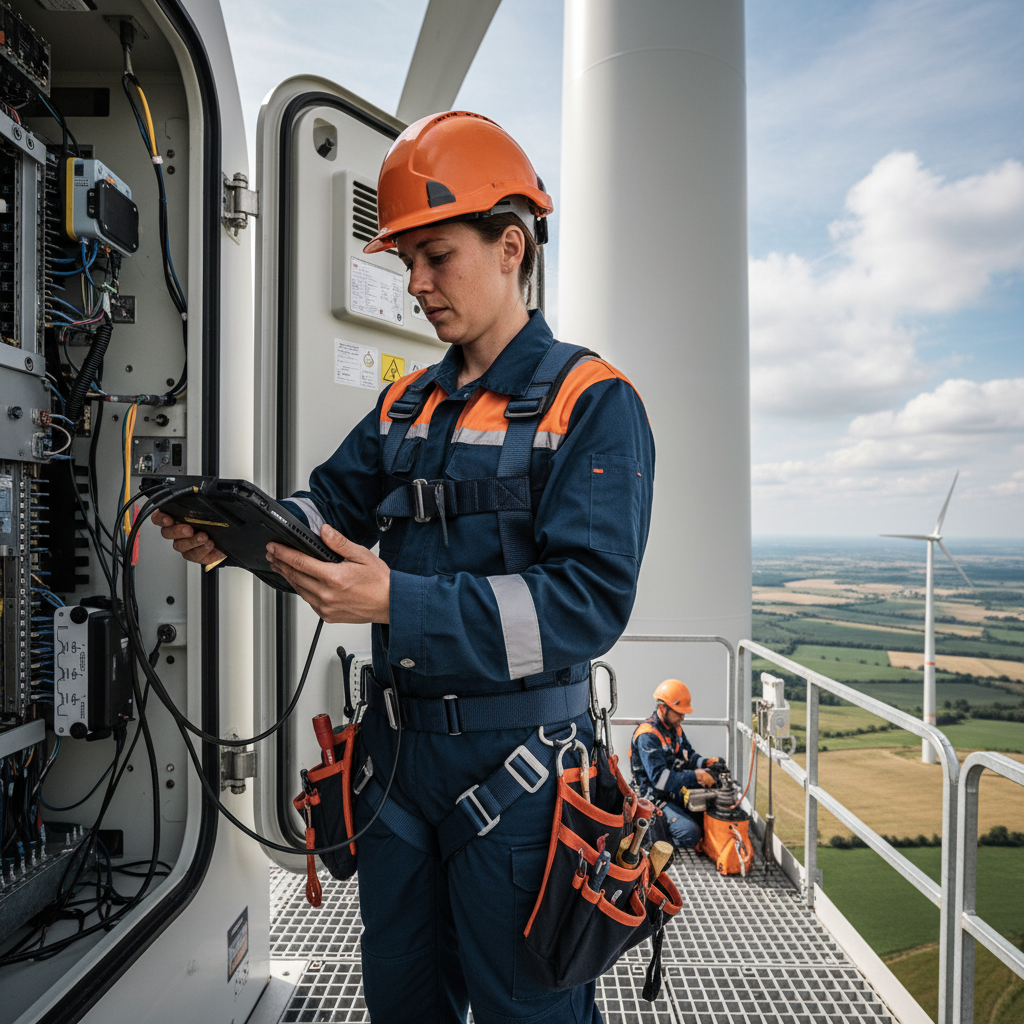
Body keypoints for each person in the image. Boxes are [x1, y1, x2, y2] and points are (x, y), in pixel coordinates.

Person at [153, 110, 655, 1023]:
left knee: (525, 1010)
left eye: (436, 257)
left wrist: (399, 602)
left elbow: (588, 604)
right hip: (396, 771)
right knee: (403, 1004)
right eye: (405, 261)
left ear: (511, 246)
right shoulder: (406, 405)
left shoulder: (592, 403)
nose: (414, 284)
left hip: (521, 776)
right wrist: (242, 535)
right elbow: (327, 504)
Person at [629, 679, 721, 849]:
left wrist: (706, 763)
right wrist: (697, 776)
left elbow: (688, 755)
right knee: (690, 833)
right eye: (678, 713)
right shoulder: (648, 736)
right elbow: (660, 780)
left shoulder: (675, 728)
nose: (682, 717)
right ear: (663, 708)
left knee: (708, 816)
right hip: (652, 797)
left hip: (672, 793)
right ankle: (658, 843)